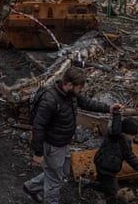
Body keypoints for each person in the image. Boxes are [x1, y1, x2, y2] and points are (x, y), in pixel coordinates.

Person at [22, 66, 123, 204]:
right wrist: (38, 153)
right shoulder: (50, 100)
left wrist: (108, 108)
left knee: (62, 172)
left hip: (63, 143)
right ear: (69, 85)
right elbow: (38, 127)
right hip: (53, 146)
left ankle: (31, 187)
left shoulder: (71, 95)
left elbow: (87, 103)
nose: (81, 90)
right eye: (79, 88)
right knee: (54, 181)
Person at [79, 108, 138, 203]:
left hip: (107, 166)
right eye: (133, 135)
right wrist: (116, 114)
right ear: (124, 133)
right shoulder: (114, 136)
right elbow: (115, 127)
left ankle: (86, 183)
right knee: (113, 193)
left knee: (105, 186)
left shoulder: (126, 142)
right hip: (105, 168)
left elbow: (129, 156)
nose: (134, 137)